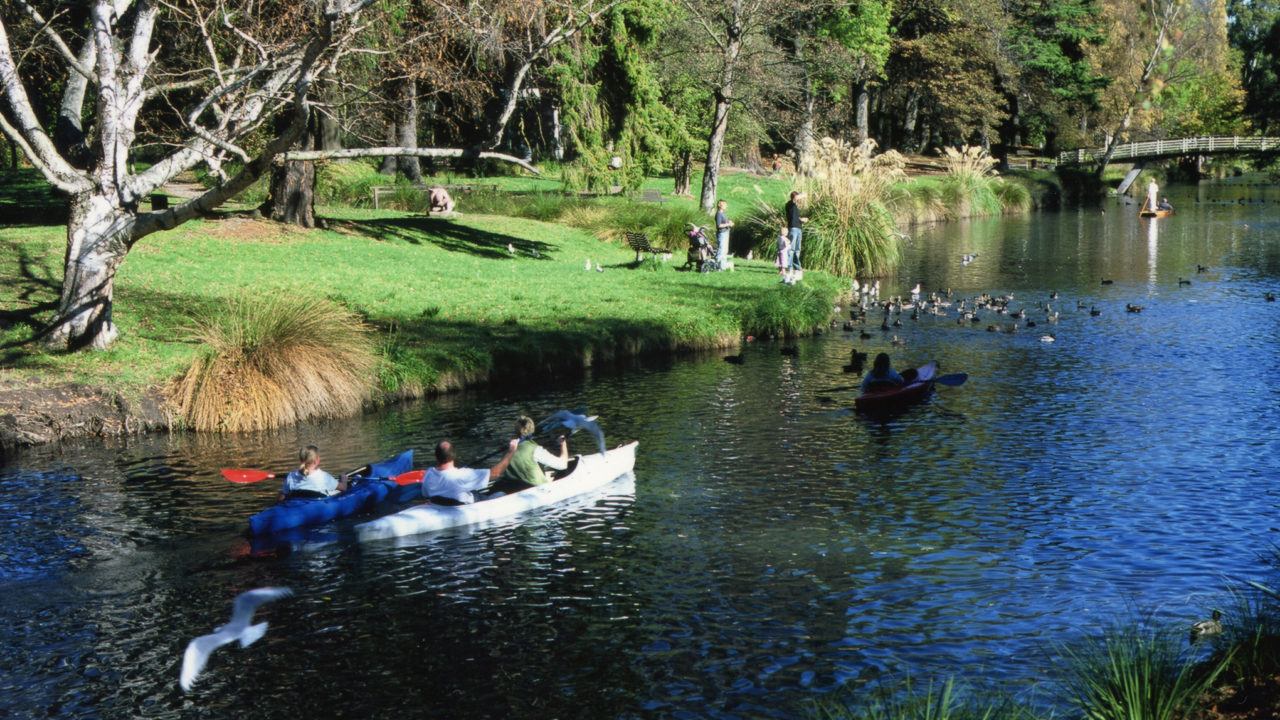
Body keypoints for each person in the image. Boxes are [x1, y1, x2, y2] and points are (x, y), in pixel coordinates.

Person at [421, 438, 518, 505]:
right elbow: (496, 473)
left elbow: (425, 494)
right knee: (502, 494)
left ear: (436, 457)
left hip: (439, 504)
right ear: (454, 455)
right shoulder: (462, 475)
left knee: (474, 489)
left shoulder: (429, 473)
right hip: (468, 504)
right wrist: (511, 451)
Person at [490, 415, 570, 494]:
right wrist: (563, 444)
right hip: (534, 490)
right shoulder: (535, 449)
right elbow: (563, 465)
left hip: (513, 488)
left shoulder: (509, 448)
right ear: (532, 430)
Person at [279, 445, 348, 501]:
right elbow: (343, 488)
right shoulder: (323, 477)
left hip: (297, 504)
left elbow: (282, 497)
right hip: (316, 506)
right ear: (316, 461)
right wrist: (344, 479)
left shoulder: (291, 476)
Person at [784, 191, 807, 284]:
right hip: (793, 229)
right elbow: (796, 198)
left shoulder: (795, 207)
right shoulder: (789, 204)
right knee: (791, 249)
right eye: (797, 197)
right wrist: (803, 195)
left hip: (798, 229)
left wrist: (801, 220)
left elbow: (795, 218)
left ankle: (797, 267)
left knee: (797, 249)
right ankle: (789, 267)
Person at [714, 199, 733, 269]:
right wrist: (728, 224)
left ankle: (723, 266)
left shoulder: (723, 213)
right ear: (720, 205)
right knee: (721, 250)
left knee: (724, 250)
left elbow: (724, 222)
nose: (726, 206)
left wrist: (729, 222)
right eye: (724, 204)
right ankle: (718, 266)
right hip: (722, 234)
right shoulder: (718, 214)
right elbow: (718, 225)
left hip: (725, 233)